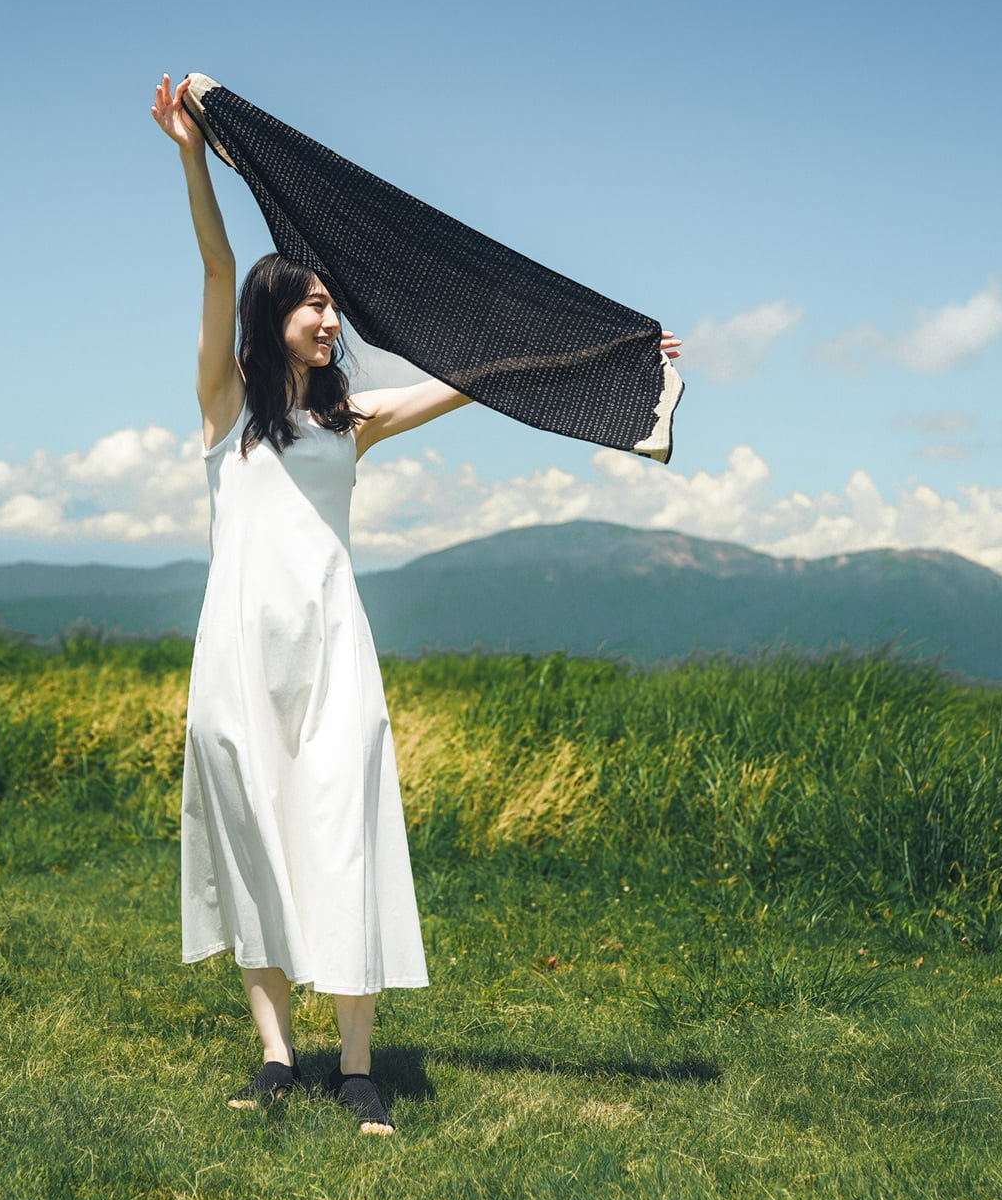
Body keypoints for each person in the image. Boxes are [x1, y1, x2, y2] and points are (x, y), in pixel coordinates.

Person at [152, 72, 681, 1136]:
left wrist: (621, 356)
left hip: (334, 650)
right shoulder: (225, 410)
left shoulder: (353, 421)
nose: (327, 315)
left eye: (330, 304)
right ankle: (272, 1054)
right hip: (237, 656)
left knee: (341, 833)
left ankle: (354, 1067)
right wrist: (190, 156)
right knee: (251, 835)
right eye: (310, 302)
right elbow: (215, 263)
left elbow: (483, 366)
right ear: (271, 317)